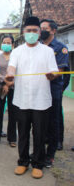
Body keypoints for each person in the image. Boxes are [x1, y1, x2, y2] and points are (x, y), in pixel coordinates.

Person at [5, 16, 58, 179]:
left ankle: (37, 163)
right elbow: (12, 67)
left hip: (41, 100)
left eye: (35, 30)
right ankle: (22, 162)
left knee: (40, 134)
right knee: (22, 133)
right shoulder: (17, 51)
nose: (32, 33)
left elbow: (54, 72)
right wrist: (10, 75)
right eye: (29, 31)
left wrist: (51, 75)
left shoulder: (48, 51)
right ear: (23, 32)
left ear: (39, 32)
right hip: (22, 99)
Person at [40, 19, 69, 167]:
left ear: (53, 31)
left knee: (53, 121)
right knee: (40, 121)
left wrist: (51, 74)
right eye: (41, 28)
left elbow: (61, 71)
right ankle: (40, 151)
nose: (41, 31)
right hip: (38, 89)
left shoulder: (60, 48)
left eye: (45, 28)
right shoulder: (37, 46)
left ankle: (51, 152)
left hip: (53, 89)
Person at [0, 35, 17, 147]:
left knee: (13, 113)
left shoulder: (16, 57)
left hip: (13, 88)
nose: (6, 44)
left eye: (8, 42)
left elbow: (19, 71)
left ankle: (12, 138)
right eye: (4, 42)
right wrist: (4, 81)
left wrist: (10, 84)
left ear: (12, 45)